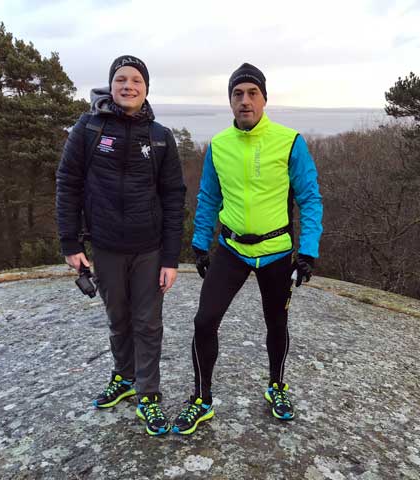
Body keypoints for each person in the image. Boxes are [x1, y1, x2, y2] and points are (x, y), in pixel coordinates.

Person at [172, 63, 323, 435]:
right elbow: (208, 196)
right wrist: (199, 244)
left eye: (252, 93)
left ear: (264, 98)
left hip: (276, 250)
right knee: (204, 321)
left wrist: (308, 251)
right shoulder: (219, 145)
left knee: (277, 322)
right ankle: (202, 399)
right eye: (237, 94)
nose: (245, 101)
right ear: (229, 101)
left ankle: (277, 386)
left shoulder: (290, 141)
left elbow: (310, 198)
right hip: (232, 248)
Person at [55, 55, 186, 436]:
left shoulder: (160, 136)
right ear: (110, 86)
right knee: (118, 319)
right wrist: (70, 241)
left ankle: (148, 394)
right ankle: (123, 377)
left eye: (136, 81)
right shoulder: (88, 128)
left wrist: (170, 257)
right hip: (107, 245)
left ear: (146, 89)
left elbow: (174, 196)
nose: (128, 86)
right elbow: (68, 182)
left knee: (147, 322)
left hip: (149, 248)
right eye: (121, 80)